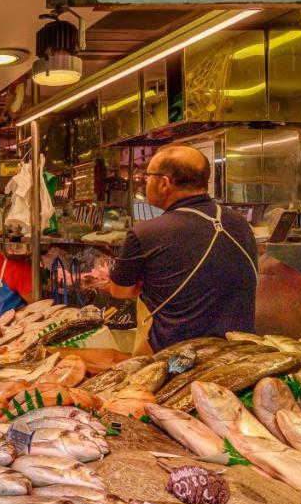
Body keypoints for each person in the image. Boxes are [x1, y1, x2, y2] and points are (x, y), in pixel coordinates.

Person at [108, 144, 257, 353]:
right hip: (238, 355)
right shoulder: (240, 223)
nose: (145, 183)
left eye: (148, 177)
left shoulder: (146, 232)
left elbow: (120, 290)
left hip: (175, 362)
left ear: (164, 183)